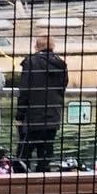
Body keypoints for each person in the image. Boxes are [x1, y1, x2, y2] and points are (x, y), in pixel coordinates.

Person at [15, 36, 69, 168]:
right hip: (53, 116)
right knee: (45, 153)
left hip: (33, 116)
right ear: (52, 47)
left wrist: (19, 116)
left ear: (36, 47)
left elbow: (25, 90)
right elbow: (63, 86)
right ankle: (42, 180)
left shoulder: (31, 63)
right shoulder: (60, 63)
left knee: (23, 154)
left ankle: (22, 181)